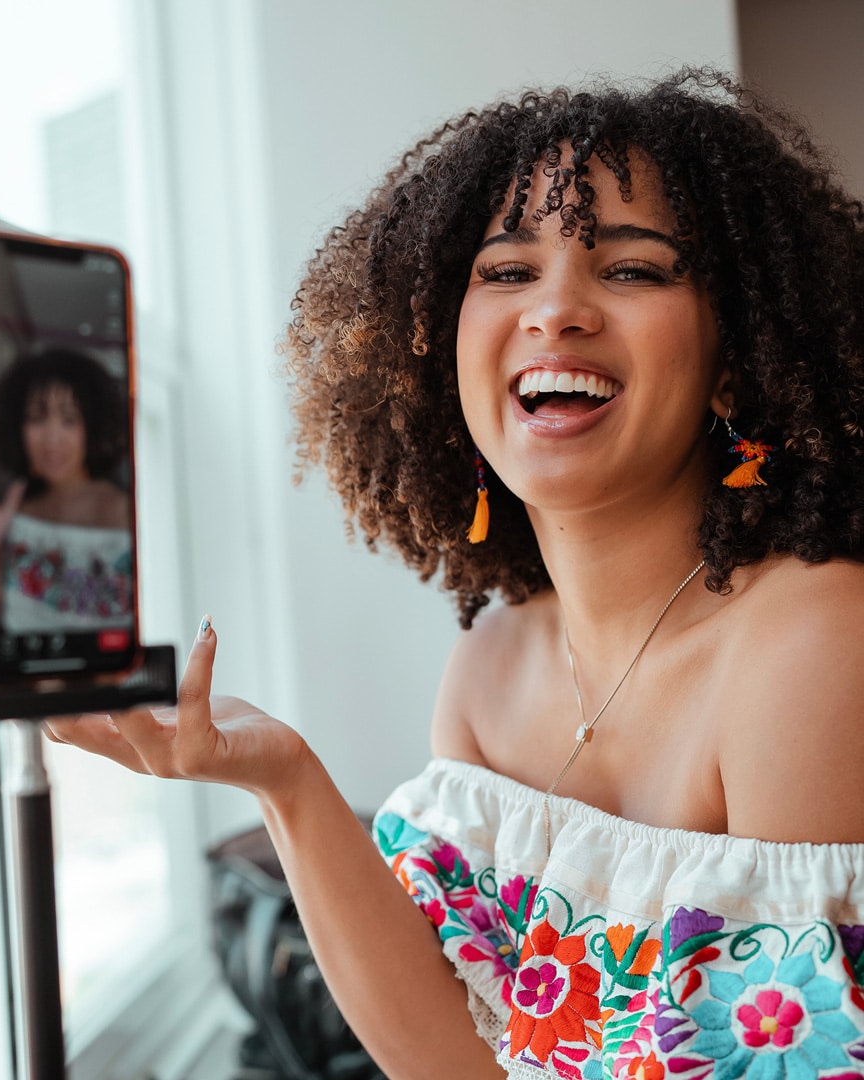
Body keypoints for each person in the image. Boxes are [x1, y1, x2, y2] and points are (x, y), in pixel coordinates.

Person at [47, 69, 864, 1078]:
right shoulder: (489, 665)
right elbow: (459, 1064)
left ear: (739, 359)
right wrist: (285, 780)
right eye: (508, 271)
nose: (555, 309)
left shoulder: (819, 642)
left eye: (635, 271)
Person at [0, 347, 134, 633]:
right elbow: (9, 613)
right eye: (36, 418)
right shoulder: (13, 515)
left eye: (69, 420)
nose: (52, 438)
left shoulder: (126, 513)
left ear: (92, 427)